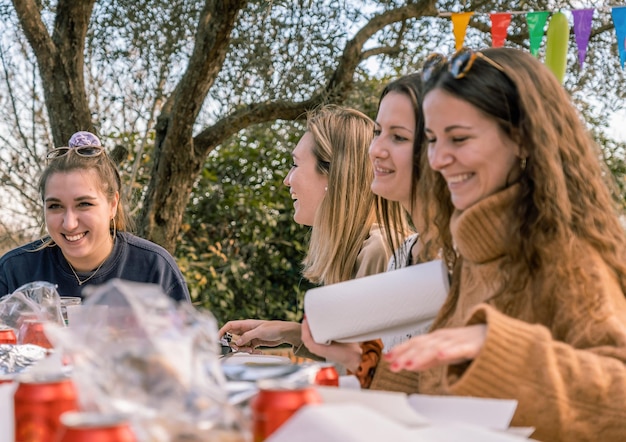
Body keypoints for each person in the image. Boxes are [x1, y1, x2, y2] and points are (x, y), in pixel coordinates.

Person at [368, 47, 626, 441]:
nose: (437, 159)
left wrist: (495, 343)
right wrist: (370, 370)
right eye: (433, 139)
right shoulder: (472, 252)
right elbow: (441, 388)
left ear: (523, 139)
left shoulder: (569, 254)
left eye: (458, 138)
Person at [218, 105, 394, 364]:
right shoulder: (359, 251)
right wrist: (295, 334)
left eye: (295, 165)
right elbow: (356, 358)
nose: (287, 180)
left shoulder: (380, 251)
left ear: (333, 175)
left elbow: (373, 372)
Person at [300, 74, 440, 385]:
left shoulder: (388, 251)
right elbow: (400, 378)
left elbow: (432, 389)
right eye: (378, 132)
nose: (375, 149)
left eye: (399, 137)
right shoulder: (402, 254)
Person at [0, 131, 191, 302]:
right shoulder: (14, 271)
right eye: (55, 206)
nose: (69, 223)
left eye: (84, 204)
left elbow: (185, 341)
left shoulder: (154, 269)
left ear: (112, 205)